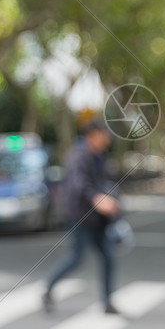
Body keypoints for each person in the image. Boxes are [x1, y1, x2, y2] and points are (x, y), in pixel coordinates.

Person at [43, 122, 121, 314]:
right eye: (104, 135)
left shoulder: (99, 157)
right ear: (93, 135)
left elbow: (103, 183)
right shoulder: (78, 157)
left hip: (99, 220)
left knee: (108, 258)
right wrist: (97, 198)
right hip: (80, 218)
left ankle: (107, 301)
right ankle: (48, 288)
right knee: (76, 258)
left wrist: (111, 201)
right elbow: (80, 185)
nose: (107, 139)